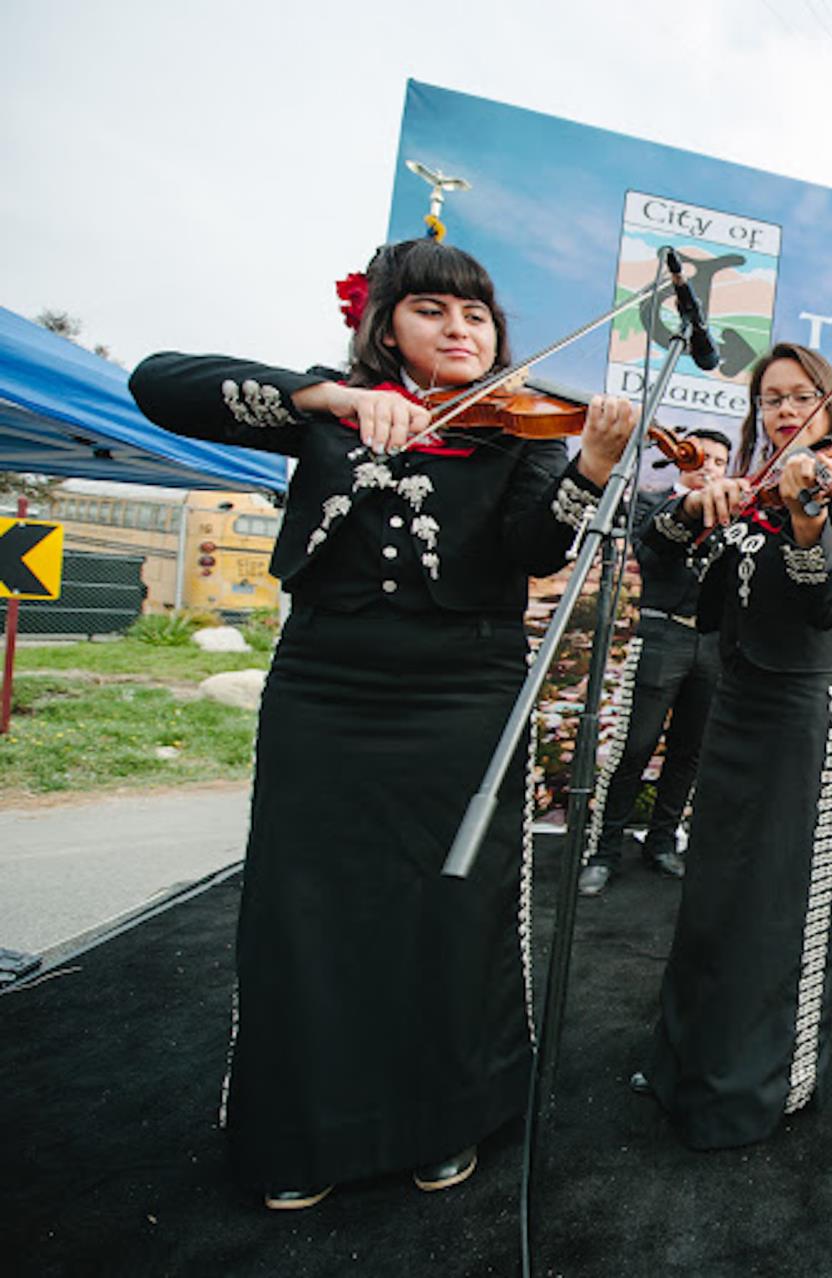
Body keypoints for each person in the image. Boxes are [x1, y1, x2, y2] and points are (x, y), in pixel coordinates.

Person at [127, 237, 639, 1207]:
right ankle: (303, 1134)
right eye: (434, 311)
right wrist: (328, 399)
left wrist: (592, 466)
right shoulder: (328, 410)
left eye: (477, 316)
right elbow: (161, 384)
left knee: (449, 913)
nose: (460, 330)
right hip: (328, 689)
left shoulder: (519, 433)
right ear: (387, 327)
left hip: (463, 697)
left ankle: (442, 1119)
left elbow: (535, 546)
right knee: (303, 910)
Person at [629, 341, 832, 1150]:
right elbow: (661, 558)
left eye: (801, 395)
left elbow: (826, 603)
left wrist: (808, 520)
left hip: (796, 712)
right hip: (735, 699)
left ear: (830, 407)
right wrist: (692, 509)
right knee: (713, 889)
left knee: (772, 897)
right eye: (771, 397)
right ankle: (685, 1062)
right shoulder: (748, 489)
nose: (783, 409)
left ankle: (756, 1082)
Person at [578, 427, 733, 895]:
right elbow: (652, 550)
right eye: (701, 457)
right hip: (661, 631)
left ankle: (662, 841)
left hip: (711, 644)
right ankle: (603, 850)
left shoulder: (735, 515)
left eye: (721, 461)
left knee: (689, 751)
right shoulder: (653, 502)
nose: (710, 466)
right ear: (681, 458)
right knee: (634, 746)